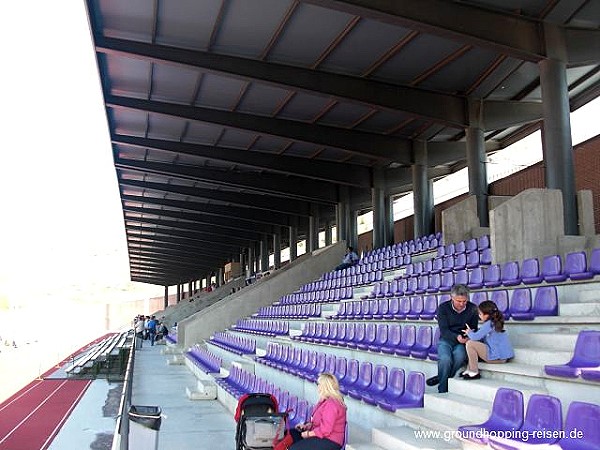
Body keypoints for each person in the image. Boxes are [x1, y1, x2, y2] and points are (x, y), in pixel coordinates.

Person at [426, 284, 479, 393]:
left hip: (462, 341)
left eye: (464, 301)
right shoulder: (443, 308)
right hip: (447, 339)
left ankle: (441, 378)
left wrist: (468, 337)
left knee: (460, 357)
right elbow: (444, 330)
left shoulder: (472, 308)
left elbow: (473, 328)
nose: (462, 304)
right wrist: (457, 337)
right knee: (445, 359)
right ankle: (443, 390)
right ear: (452, 297)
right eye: (458, 301)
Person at [289, 373, 347, 450]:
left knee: (294, 449)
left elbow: (325, 430)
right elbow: (318, 422)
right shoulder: (324, 400)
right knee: (291, 435)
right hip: (321, 435)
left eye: (319, 384)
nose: (318, 386)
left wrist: (308, 434)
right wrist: (307, 426)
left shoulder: (332, 404)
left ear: (325, 387)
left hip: (330, 440)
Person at [461, 300, 514, 379]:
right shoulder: (495, 322)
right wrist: (472, 333)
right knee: (473, 342)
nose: (479, 316)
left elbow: (475, 337)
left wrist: (469, 332)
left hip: (497, 358)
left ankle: (474, 371)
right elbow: (480, 335)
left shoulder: (489, 324)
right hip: (502, 357)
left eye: (480, 314)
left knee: (470, 343)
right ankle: (469, 368)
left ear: (487, 315)